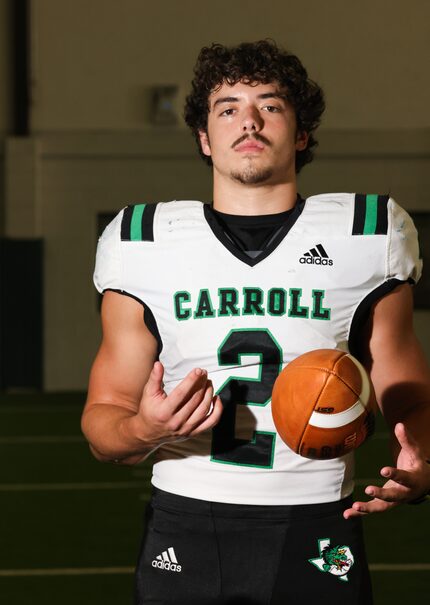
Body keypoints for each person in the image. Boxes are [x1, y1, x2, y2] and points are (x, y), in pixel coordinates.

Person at [81, 40, 430, 605]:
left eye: (270, 105)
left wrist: (425, 464)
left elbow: (410, 397)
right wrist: (146, 429)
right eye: (228, 108)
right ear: (204, 138)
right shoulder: (140, 241)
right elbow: (103, 421)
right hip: (187, 518)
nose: (248, 119)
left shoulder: (368, 234)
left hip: (317, 514)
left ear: (301, 133)